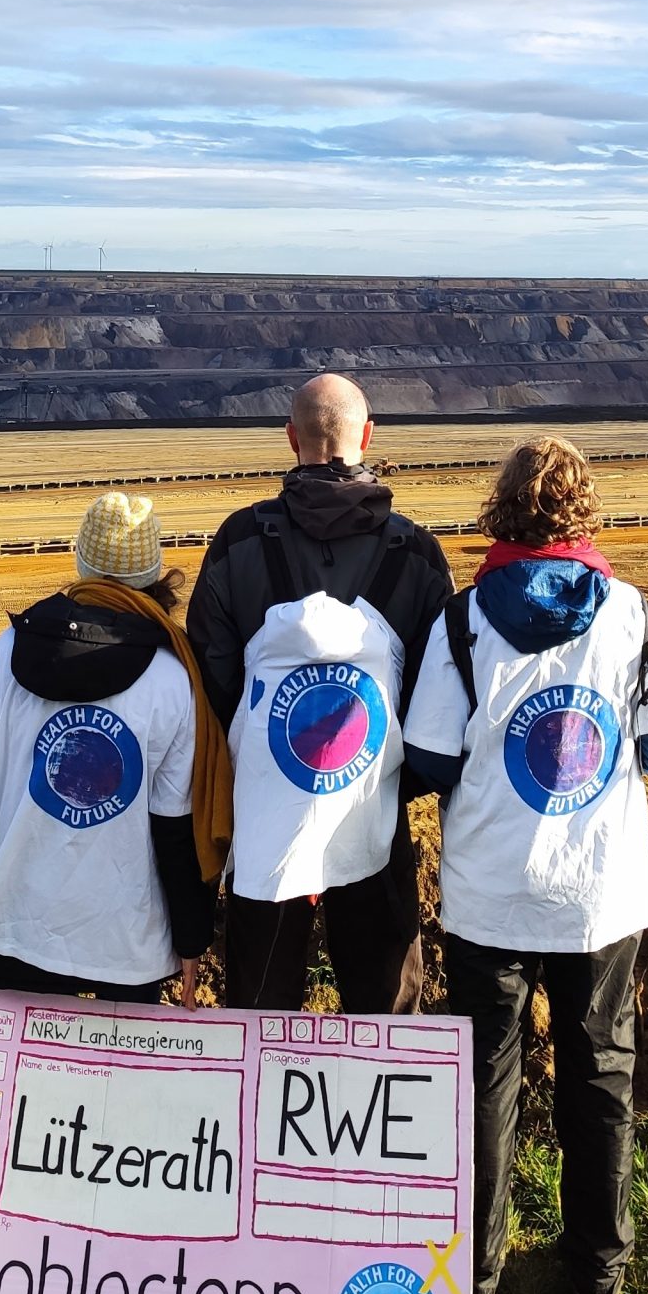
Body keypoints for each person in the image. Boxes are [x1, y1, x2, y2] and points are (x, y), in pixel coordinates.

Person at [402, 435, 648, 1294]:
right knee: (602, 1077)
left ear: (502, 512)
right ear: (584, 510)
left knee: (488, 1084)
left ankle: (477, 1293)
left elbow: (427, 760)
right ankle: (596, 1286)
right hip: (599, 895)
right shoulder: (633, 615)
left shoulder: (459, 625)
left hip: (489, 895)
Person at [187, 372, 451, 1014]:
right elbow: (436, 695)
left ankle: (258, 1114)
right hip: (373, 813)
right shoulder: (416, 553)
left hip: (266, 822)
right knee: (386, 1009)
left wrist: (265, 759)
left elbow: (210, 677)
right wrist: (381, 771)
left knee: (259, 1008)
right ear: (367, 435)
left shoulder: (239, 542)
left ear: (290, 439)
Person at [0, 493, 227, 1001]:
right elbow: (175, 824)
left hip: (18, 924)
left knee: (26, 1081)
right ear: (154, 573)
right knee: (122, 1081)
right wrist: (191, 937)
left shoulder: (11, 648)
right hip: (127, 942)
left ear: (80, 560)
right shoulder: (172, 678)